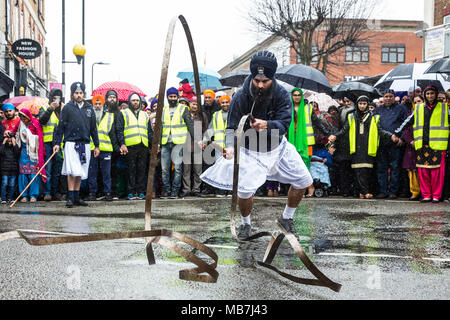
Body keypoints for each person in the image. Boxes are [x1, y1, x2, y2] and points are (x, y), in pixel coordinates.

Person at [201, 50, 313, 239]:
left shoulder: (282, 94)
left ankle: (286, 218)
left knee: (303, 181)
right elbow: (231, 127)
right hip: (249, 149)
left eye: (265, 81)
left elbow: (285, 124)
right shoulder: (240, 96)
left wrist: (267, 124)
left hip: (278, 147)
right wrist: (230, 146)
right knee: (244, 192)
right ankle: (246, 224)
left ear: (272, 77)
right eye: (257, 80)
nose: (260, 85)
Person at [392, 86, 448, 203]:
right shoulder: (418, 108)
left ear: (436, 94)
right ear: (424, 95)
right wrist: (396, 133)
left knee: (436, 173)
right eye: (427, 94)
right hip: (422, 144)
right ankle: (426, 195)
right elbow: (407, 122)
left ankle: (436, 196)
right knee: (423, 171)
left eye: (432, 93)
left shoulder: (444, 108)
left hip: (438, 144)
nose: (430, 96)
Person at [330, 96, 393, 199]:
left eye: (364, 104)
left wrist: (391, 136)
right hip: (356, 146)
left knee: (367, 170)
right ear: (357, 104)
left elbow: (380, 130)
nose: (362, 106)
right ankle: (365, 191)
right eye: (360, 104)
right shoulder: (351, 116)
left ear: (367, 104)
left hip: (368, 147)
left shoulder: (373, 116)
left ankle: (362, 191)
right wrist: (336, 136)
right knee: (358, 170)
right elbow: (344, 129)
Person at [54, 82, 100, 208]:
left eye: (80, 93)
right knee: (71, 170)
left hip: (85, 144)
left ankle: (76, 196)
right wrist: (57, 143)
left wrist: (97, 145)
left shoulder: (89, 108)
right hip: (71, 143)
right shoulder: (67, 108)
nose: (79, 95)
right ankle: (70, 196)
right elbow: (60, 127)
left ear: (83, 94)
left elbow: (93, 129)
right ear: (72, 94)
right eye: (76, 93)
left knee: (80, 171)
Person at [289, 88, 332, 198]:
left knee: (305, 166)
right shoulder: (288, 108)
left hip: (306, 142)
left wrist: (328, 134)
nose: (297, 97)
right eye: (295, 95)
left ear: (302, 96)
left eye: (299, 95)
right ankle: (297, 188)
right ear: (292, 96)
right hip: (292, 141)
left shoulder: (308, 108)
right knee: (294, 166)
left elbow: (318, 123)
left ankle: (309, 187)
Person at [160, 87, 195, 199]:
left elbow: (190, 125)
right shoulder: (164, 110)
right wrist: (159, 144)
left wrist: (197, 139)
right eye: (170, 97)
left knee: (178, 169)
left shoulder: (183, 108)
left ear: (178, 97)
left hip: (179, 143)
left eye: (175, 96)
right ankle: (167, 190)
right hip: (165, 143)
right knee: (165, 169)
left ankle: (175, 191)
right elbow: (160, 128)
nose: (173, 99)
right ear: (167, 97)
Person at [373, 89, 408, 199]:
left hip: (396, 143)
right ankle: (383, 191)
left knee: (395, 168)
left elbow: (406, 124)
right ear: (383, 97)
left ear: (394, 97)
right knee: (381, 168)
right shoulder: (378, 110)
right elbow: (375, 126)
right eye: (386, 96)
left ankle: (393, 191)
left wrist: (402, 138)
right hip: (382, 143)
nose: (388, 98)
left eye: (390, 96)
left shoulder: (401, 108)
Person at [116, 93, 152, 201]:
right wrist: (122, 144)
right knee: (131, 170)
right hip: (130, 145)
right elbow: (119, 130)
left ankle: (141, 192)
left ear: (140, 102)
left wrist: (152, 145)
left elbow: (149, 131)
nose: (135, 102)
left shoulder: (145, 115)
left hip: (143, 145)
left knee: (141, 170)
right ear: (129, 102)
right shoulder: (123, 113)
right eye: (133, 100)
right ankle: (131, 192)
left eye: (137, 100)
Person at [86, 93, 119, 202]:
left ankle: (107, 193)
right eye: (95, 103)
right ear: (92, 104)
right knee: (92, 172)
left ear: (103, 104)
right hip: (91, 148)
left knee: (106, 173)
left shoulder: (110, 116)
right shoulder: (88, 116)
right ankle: (92, 193)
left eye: (100, 103)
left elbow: (113, 133)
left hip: (106, 148)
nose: (97, 106)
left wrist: (116, 148)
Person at [199, 94, 232, 197]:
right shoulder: (216, 115)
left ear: (230, 103)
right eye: (223, 102)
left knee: (230, 168)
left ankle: (230, 189)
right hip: (219, 146)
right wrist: (204, 140)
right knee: (220, 168)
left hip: (231, 146)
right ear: (220, 103)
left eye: (227, 102)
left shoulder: (234, 113)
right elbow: (211, 129)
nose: (225, 104)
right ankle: (221, 190)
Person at [39, 88, 64, 202]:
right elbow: (42, 121)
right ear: (51, 98)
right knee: (48, 170)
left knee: (57, 170)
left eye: (58, 97)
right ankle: (47, 193)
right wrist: (50, 109)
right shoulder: (44, 108)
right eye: (54, 97)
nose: (56, 100)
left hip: (59, 144)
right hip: (48, 143)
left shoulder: (63, 110)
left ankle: (55, 192)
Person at [18, 108, 46, 203]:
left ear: (28, 116)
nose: (23, 120)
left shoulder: (35, 123)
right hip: (24, 152)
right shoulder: (20, 124)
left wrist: (29, 136)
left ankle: (33, 195)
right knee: (23, 173)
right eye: (21, 118)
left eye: (24, 118)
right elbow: (14, 132)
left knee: (33, 174)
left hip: (33, 152)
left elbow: (39, 137)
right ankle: (24, 195)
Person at [182, 96, 208, 198]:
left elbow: (206, 130)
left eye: (197, 104)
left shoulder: (202, 116)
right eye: (193, 104)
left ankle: (196, 189)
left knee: (198, 169)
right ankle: (186, 190)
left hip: (198, 146)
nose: (195, 106)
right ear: (189, 104)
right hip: (186, 145)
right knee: (186, 170)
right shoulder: (185, 115)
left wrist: (205, 141)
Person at [334, 93, 357, 197]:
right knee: (343, 168)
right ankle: (344, 189)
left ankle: (353, 189)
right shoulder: (341, 111)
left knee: (352, 168)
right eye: (345, 101)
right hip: (341, 144)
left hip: (353, 142)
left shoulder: (355, 112)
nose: (346, 104)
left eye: (348, 101)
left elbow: (346, 128)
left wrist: (336, 136)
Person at [402, 95, 424, 201]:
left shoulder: (428, 115)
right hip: (412, 147)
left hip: (425, 146)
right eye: (415, 102)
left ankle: (425, 192)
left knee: (424, 171)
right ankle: (415, 192)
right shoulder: (410, 116)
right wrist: (411, 141)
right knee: (412, 171)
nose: (417, 104)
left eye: (419, 101)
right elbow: (405, 130)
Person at [0, 134, 19, 204]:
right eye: (8, 138)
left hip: (13, 169)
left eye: (11, 138)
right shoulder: (3, 147)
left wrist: (14, 143)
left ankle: (11, 198)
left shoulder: (15, 146)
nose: (9, 139)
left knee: (12, 185)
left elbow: (17, 153)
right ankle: (3, 198)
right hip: (5, 169)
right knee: (4, 184)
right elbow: (1, 152)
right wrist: (4, 142)